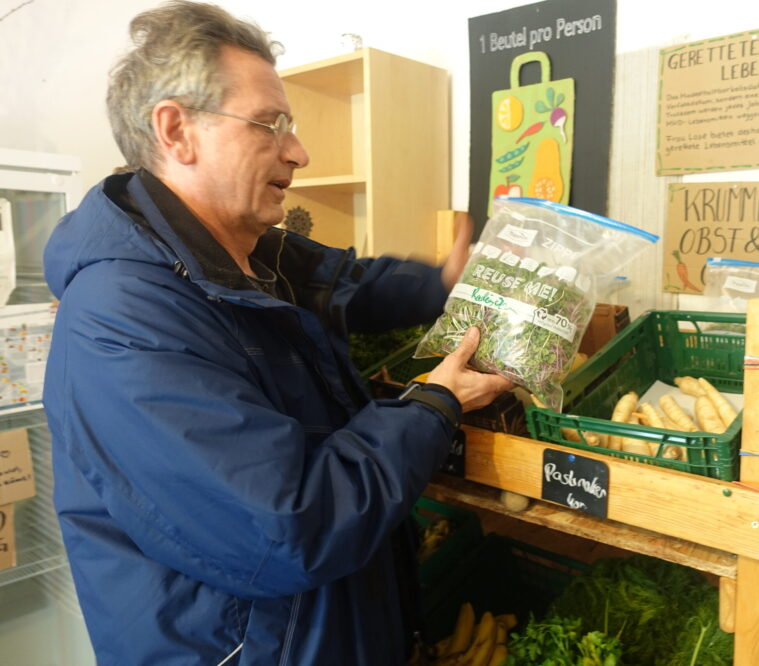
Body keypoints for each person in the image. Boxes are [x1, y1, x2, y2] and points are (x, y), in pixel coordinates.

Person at [42, 2, 512, 664]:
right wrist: (433, 405)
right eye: (270, 124)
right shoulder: (121, 321)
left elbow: (346, 283)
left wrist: (443, 282)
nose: (298, 151)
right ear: (177, 131)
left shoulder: (245, 251)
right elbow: (290, 525)